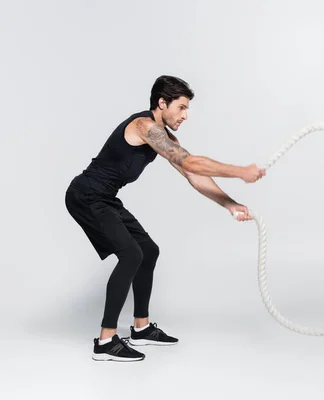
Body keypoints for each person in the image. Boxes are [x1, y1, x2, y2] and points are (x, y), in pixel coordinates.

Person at [65, 75, 265, 362]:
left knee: (148, 251)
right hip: (85, 194)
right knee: (131, 254)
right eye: (181, 108)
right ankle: (105, 341)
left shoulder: (166, 138)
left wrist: (230, 204)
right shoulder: (144, 127)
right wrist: (240, 171)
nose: (185, 115)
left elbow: (192, 174)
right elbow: (191, 162)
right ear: (162, 103)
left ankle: (141, 328)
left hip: (105, 197)